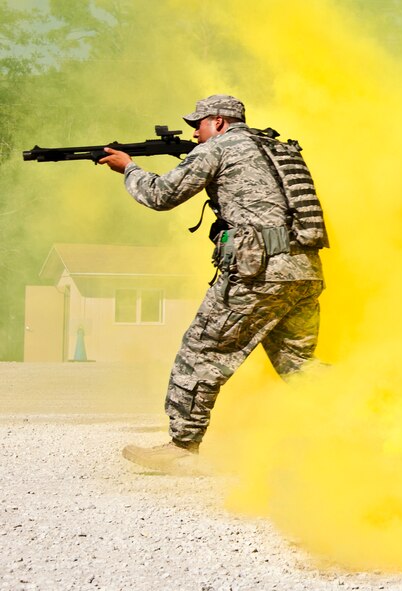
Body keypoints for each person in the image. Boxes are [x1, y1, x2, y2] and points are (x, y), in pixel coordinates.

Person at [100, 94, 329, 472]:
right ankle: (373, 416)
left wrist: (128, 168)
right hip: (303, 269)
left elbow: (161, 195)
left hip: (259, 272)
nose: (193, 133)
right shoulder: (273, 146)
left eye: (198, 124)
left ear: (219, 122)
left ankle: (181, 448)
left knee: (202, 352)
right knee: (298, 363)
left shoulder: (219, 147)